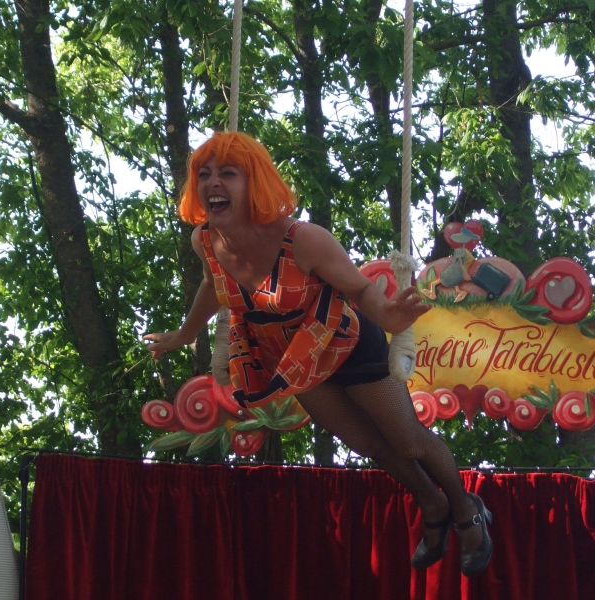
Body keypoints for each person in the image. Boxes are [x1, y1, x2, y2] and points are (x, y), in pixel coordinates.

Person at [144, 131, 492, 576]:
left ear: (255, 183)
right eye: (204, 174)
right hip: (295, 360)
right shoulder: (207, 241)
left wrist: (388, 316)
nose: (213, 182)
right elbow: (214, 284)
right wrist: (185, 333)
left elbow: (360, 290)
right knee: (367, 444)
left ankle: (466, 510)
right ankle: (432, 505)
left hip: (349, 345)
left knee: (406, 440)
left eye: (227, 174)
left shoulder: (303, 239)